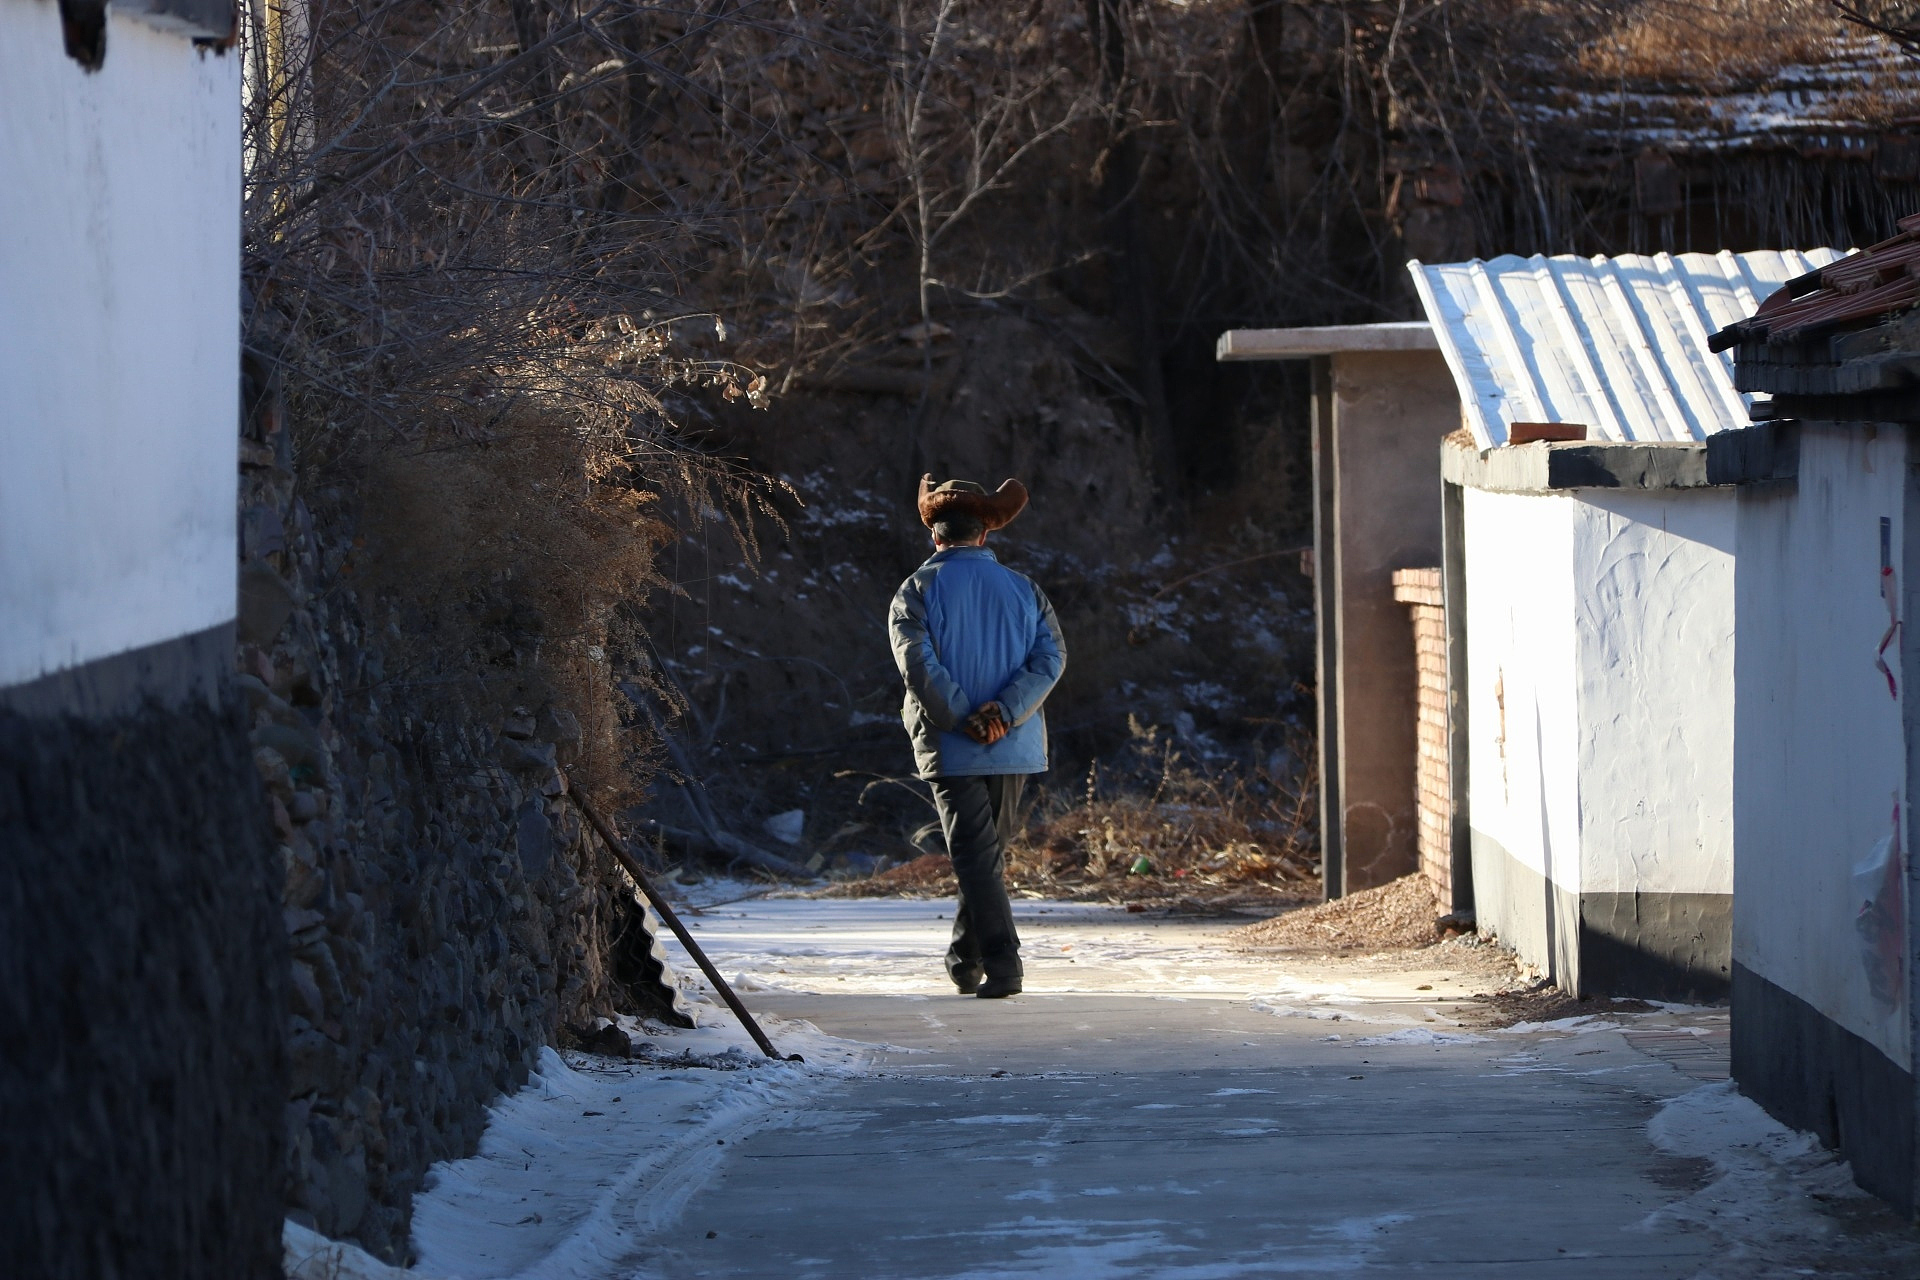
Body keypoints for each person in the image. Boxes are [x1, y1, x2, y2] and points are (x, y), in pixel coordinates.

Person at [888, 476, 1066, 998]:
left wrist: (966, 717)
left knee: (975, 855)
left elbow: (917, 665)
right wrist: (1004, 713)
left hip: (951, 743)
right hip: (1013, 742)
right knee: (984, 855)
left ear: (935, 536)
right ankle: (965, 960)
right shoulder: (1025, 588)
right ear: (985, 535)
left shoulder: (915, 590)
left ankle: (1003, 965)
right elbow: (1050, 659)